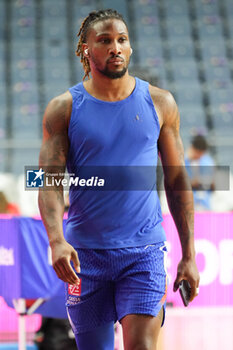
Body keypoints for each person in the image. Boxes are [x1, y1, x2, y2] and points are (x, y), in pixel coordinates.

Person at [38, 9, 200, 350]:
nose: (116, 47)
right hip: (86, 257)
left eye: (122, 40)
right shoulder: (62, 109)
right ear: (85, 49)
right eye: (105, 40)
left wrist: (189, 254)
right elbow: (47, 181)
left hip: (144, 253)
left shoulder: (160, 103)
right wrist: (55, 240)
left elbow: (177, 179)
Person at [185, 134, 215, 211]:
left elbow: (212, 183)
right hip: (188, 204)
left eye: (201, 153)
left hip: (205, 205)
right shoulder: (184, 161)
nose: (198, 155)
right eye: (197, 152)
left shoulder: (207, 161)